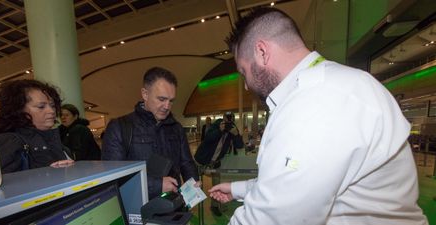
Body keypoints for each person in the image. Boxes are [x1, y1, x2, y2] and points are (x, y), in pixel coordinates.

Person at [208, 8, 428, 225]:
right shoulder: (333, 85)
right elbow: (296, 183)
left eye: (244, 72)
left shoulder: (315, 103)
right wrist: (238, 189)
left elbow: (273, 217)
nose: (246, 86)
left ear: (262, 52)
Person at [102, 67, 199, 200]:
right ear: (145, 94)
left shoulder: (176, 128)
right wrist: (157, 185)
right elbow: (113, 177)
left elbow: (187, 163)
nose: (167, 106)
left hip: (173, 206)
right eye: (161, 99)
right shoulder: (119, 127)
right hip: (139, 208)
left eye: (171, 101)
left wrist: (192, 189)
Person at [0, 79, 74, 173]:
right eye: (41, 107)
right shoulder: (9, 142)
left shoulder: (54, 141)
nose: (51, 111)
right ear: (18, 109)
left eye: (53, 106)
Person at [194, 112, 243, 216]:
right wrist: (219, 131)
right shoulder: (216, 126)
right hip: (201, 160)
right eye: (227, 117)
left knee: (217, 185)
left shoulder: (232, 129)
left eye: (231, 118)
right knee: (194, 184)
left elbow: (239, 145)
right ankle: (187, 203)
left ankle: (215, 206)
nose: (228, 120)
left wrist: (236, 135)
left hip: (215, 164)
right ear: (223, 118)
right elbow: (207, 139)